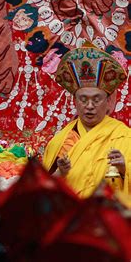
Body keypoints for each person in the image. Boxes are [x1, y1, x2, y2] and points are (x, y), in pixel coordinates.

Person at [43, 43, 130, 197]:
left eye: (96, 99)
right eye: (83, 99)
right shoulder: (61, 142)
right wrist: (61, 174)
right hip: (73, 215)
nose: (90, 106)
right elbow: (45, 190)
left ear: (108, 101)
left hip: (107, 215)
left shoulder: (124, 137)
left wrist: (124, 170)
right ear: (74, 101)